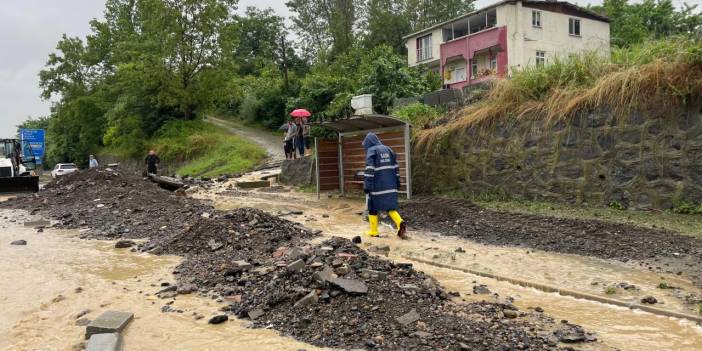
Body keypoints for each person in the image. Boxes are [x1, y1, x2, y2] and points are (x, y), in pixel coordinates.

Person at [362, 132, 406, 239]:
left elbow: (370, 169)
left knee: (372, 207)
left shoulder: (372, 151)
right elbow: (396, 167)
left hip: (378, 186)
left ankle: (374, 231)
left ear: (369, 142)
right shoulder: (389, 149)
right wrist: (397, 181)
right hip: (391, 185)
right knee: (390, 206)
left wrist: (367, 184)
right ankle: (400, 222)